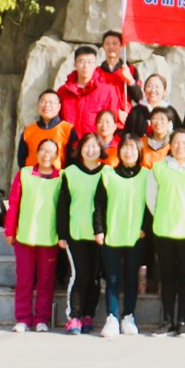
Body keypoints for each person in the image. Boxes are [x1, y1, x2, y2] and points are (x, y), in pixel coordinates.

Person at [146, 128, 185, 336]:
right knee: (167, 275)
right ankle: (167, 320)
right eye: (176, 142)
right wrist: (164, 214)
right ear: (170, 145)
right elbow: (151, 199)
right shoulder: (159, 167)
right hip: (164, 228)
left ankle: (182, 321)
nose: (180, 147)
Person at [5, 136, 64, 333]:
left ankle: (41, 319)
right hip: (25, 236)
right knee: (24, 280)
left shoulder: (60, 177)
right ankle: (23, 318)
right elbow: (14, 204)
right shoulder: (24, 174)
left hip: (49, 237)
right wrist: (10, 230)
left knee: (46, 282)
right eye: (43, 150)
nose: (46, 155)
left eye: (51, 151)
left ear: (57, 155)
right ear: (36, 153)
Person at [56, 133, 109, 336]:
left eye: (95, 146)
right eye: (87, 146)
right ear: (80, 149)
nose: (90, 150)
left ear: (101, 149)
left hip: (100, 235)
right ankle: (74, 317)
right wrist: (62, 234)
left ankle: (88, 314)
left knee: (95, 278)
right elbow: (63, 206)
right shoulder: (70, 173)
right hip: (76, 232)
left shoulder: (107, 172)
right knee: (79, 275)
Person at [98, 134, 148, 338]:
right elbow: (99, 205)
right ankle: (111, 317)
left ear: (139, 152)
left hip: (135, 236)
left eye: (133, 148)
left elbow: (151, 205)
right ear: (119, 151)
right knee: (112, 278)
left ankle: (128, 316)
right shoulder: (108, 174)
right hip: (112, 235)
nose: (129, 151)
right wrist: (99, 230)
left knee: (131, 277)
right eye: (125, 147)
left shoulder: (147, 175)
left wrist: (145, 228)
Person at [58, 45, 128, 140]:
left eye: (90, 62)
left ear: (95, 65)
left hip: (95, 144)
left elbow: (113, 121)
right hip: (68, 143)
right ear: (75, 64)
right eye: (81, 62)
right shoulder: (63, 91)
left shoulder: (107, 91)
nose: (85, 66)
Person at [18, 90, 73, 168]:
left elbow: (72, 159)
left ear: (58, 107)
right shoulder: (29, 130)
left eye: (51, 102)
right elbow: (21, 158)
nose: (47, 105)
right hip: (31, 174)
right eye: (43, 102)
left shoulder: (68, 129)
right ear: (38, 105)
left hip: (58, 174)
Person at [123, 74, 173, 141]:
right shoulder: (136, 111)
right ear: (144, 89)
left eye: (157, 87)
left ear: (164, 91)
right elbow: (127, 135)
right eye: (149, 86)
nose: (153, 90)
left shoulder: (170, 110)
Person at [98, 31, 143, 104]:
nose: (111, 46)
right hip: (101, 110)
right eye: (108, 44)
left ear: (121, 46)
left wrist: (130, 80)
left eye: (114, 43)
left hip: (123, 110)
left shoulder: (130, 70)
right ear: (103, 47)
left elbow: (139, 99)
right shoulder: (96, 72)